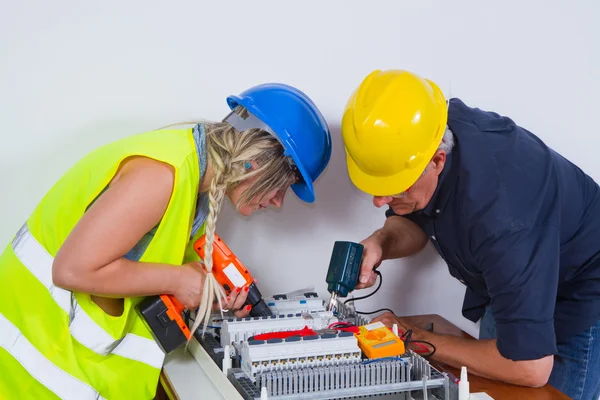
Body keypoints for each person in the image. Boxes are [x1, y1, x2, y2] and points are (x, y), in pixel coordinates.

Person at [0, 82, 332, 399]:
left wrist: (204, 298)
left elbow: (135, 270)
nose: (278, 202)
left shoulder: (196, 189)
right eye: (282, 185)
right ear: (255, 161)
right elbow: (71, 271)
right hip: (31, 374)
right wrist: (179, 279)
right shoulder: (162, 175)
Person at [340, 69, 600, 400]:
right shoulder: (420, 133)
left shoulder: (503, 218)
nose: (380, 202)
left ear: (437, 161)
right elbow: (416, 221)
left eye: (391, 190)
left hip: (579, 288)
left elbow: (528, 367)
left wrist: (411, 336)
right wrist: (381, 243)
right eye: (375, 189)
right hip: (513, 276)